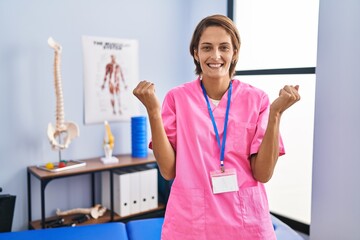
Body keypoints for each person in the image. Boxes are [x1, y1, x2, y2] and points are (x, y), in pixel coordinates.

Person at [133, 14, 300, 240]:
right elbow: (168, 170)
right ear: (196, 53)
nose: (215, 56)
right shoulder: (177, 99)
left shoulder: (257, 99)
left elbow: (263, 173)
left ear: (235, 53)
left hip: (245, 222)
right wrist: (153, 111)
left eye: (224, 47)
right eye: (207, 47)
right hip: (191, 223)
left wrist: (276, 113)